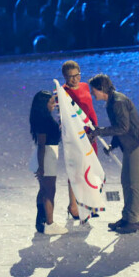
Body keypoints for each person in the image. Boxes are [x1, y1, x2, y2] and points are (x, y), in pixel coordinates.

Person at [87, 74, 139, 234]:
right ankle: (128, 218)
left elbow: (123, 128)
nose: (92, 93)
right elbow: (120, 127)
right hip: (131, 144)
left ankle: (135, 221)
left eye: (93, 90)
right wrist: (113, 145)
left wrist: (99, 132)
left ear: (101, 89)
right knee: (127, 181)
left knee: (135, 184)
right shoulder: (112, 102)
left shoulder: (118, 102)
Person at [59, 60, 99, 221]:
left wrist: (96, 128)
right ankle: (73, 205)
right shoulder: (62, 91)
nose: (74, 79)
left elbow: (90, 109)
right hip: (77, 134)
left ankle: (88, 203)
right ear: (65, 77)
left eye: (77, 75)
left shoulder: (84, 86)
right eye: (70, 77)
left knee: (90, 168)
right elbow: (64, 116)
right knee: (76, 170)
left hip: (91, 131)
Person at [30, 91, 68, 235]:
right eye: (51, 102)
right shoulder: (44, 121)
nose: (54, 105)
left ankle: (41, 221)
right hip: (47, 157)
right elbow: (41, 145)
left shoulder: (43, 118)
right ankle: (49, 223)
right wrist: (41, 167)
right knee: (49, 191)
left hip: (47, 155)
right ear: (44, 105)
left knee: (44, 190)